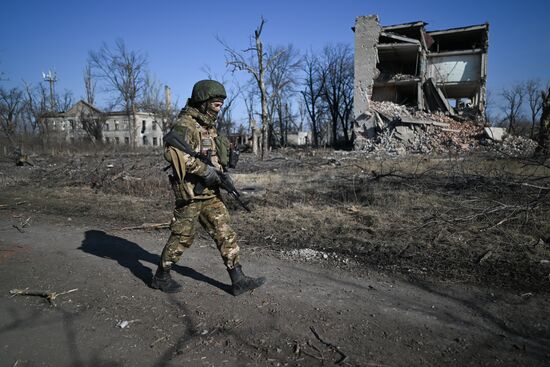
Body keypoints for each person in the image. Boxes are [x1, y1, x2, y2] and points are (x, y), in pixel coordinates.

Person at [151, 79, 266, 296]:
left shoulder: (207, 126)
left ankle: (238, 279)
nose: (219, 106)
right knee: (182, 237)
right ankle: (161, 276)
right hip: (191, 193)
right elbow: (173, 153)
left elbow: (210, 157)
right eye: (216, 103)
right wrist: (205, 172)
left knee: (225, 232)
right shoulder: (186, 124)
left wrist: (220, 171)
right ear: (203, 101)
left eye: (221, 103)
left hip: (211, 193)